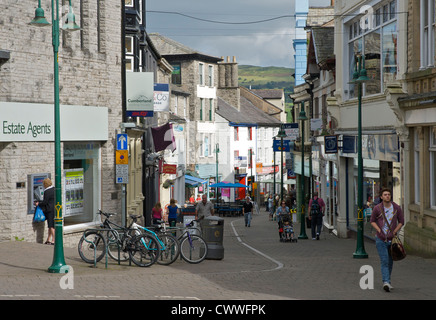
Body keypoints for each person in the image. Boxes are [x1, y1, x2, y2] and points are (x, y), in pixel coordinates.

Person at [370, 188, 404, 292]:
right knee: (384, 260)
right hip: (380, 239)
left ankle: (387, 281)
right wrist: (379, 229)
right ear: (381, 197)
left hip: (392, 240)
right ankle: (386, 282)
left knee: (390, 261)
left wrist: (395, 231)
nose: (387, 196)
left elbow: (401, 221)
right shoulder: (377, 208)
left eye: (389, 194)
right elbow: (372, 221)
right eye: (385, 195)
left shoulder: (396, 208)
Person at [35, 178, 55, 245]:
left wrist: (38, 204)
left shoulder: (47, 191)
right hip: (54, 209)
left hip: (49, 210)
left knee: (51, 225)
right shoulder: (54, 189)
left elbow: (45, 202)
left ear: (45, 184)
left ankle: (54, 240)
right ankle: (48, 239)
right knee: (50, 225)